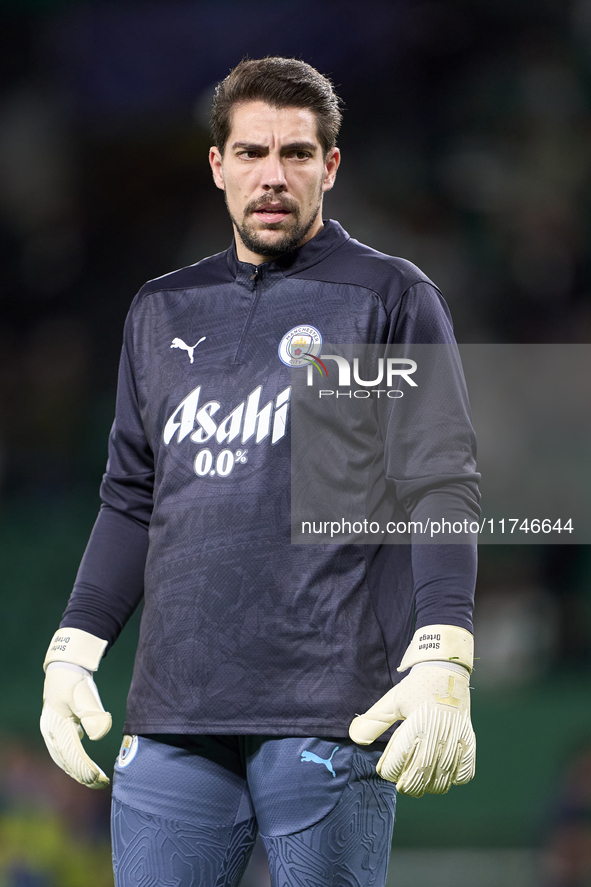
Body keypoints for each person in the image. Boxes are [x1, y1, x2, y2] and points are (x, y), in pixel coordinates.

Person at [40, 57, 480, 887]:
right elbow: (132, 497)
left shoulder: (387, 296)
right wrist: (74, 645)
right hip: (173, 715)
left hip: (327, 712)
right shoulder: (161, 307)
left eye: (296, 154)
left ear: (331, 165)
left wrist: (443, 651)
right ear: (217, 165)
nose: (272, 176)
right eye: (250, 153)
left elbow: (438, 482)